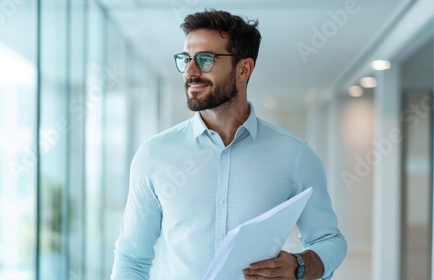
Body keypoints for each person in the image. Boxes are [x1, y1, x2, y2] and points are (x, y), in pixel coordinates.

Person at [111, 9, 346, 280]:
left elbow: (330, 240)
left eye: (205, 59)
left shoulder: (295, 156)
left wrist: (299, 265)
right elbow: (131, 257)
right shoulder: (153, 155)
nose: (190, 71)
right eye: (186, 59)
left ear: (243, 69)